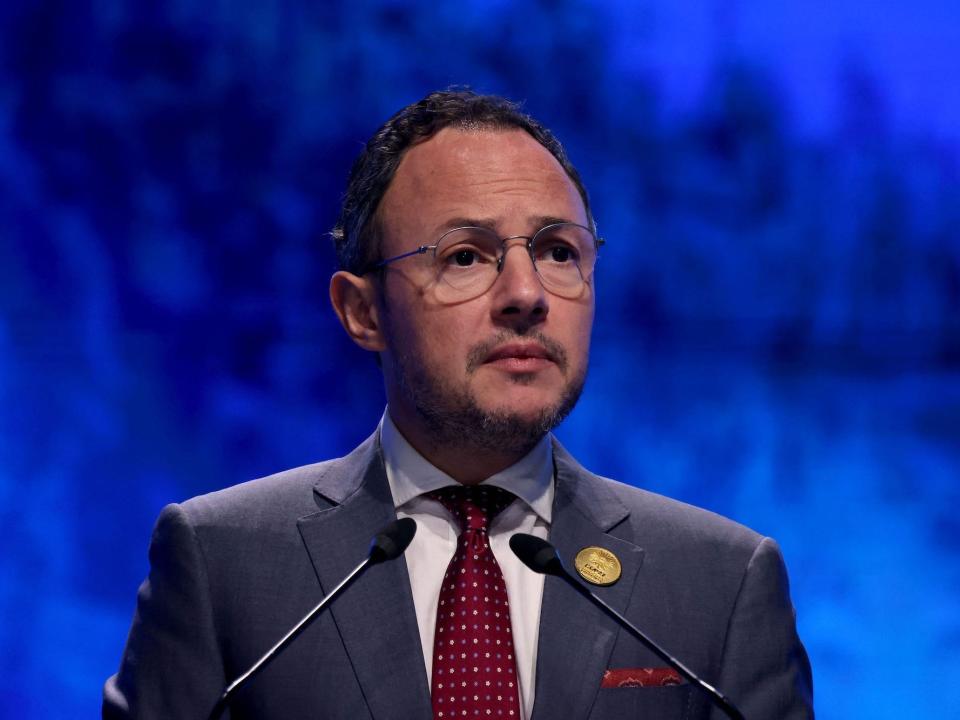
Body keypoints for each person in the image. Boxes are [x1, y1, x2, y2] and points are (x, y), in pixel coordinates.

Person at [104, 90, 814, 719]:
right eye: (466, 256)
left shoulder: (718, 584)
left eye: (559, 252)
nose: (527, 295)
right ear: (362, 312)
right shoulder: (224, 563)